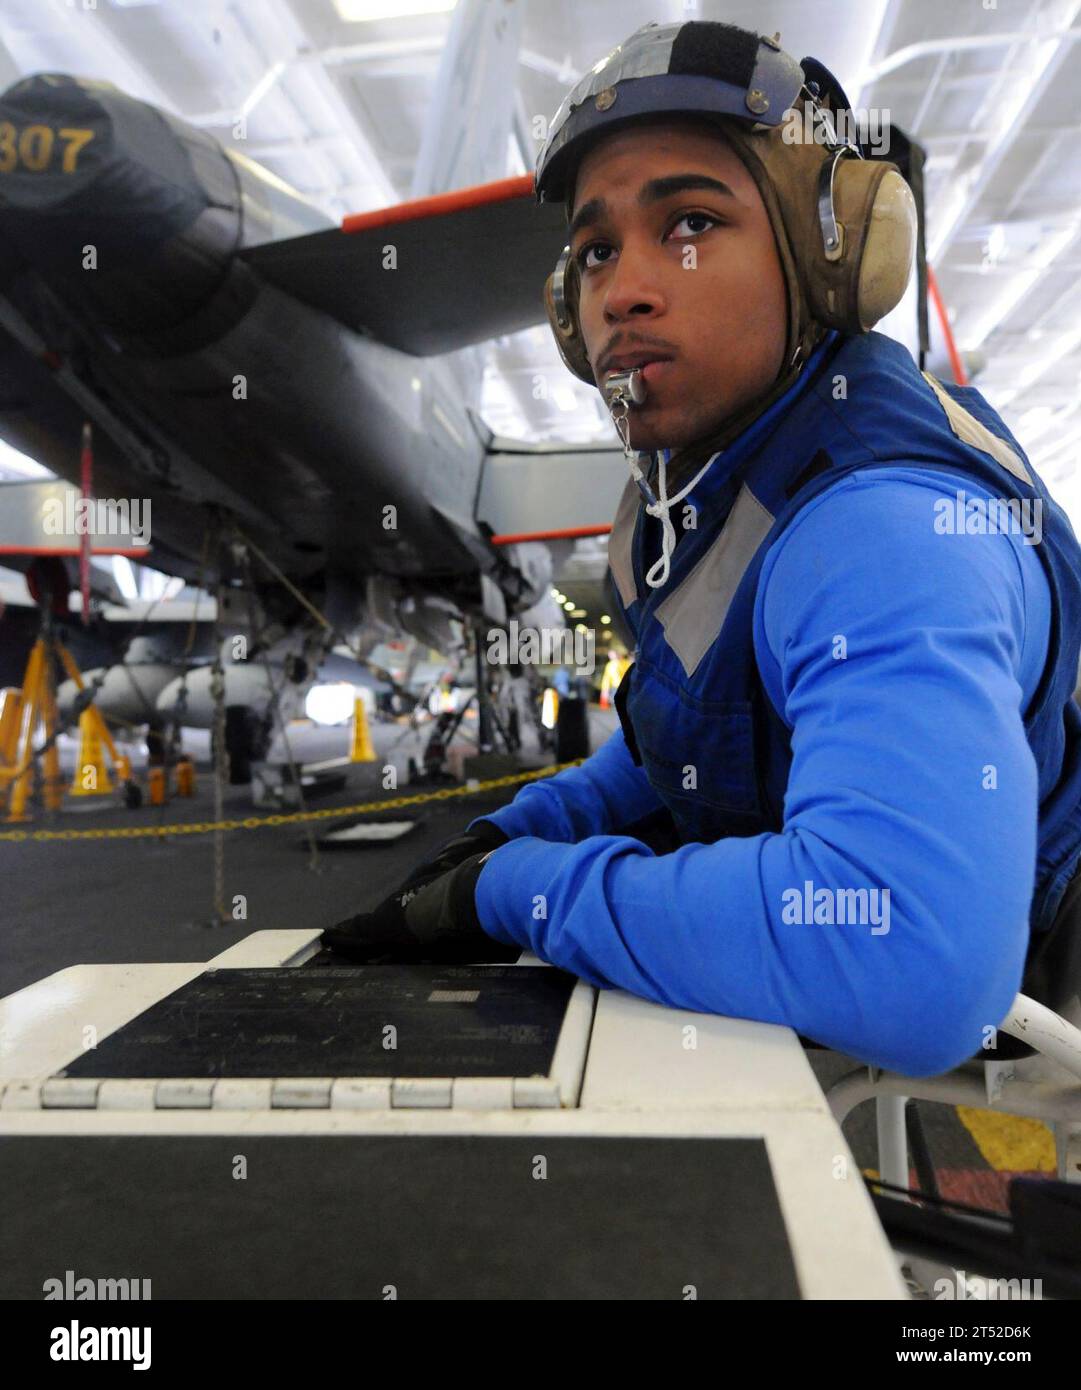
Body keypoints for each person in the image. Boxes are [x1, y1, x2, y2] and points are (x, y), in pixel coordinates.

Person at [322, 20, 1081, 1078]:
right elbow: (692, 725)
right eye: (594, 250)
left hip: (1019, 1032)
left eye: (687, 222)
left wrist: (520, 892)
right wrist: (528, 822)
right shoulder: (701, 492)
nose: (620, 290)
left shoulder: (882, 532)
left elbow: (911, 963)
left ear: (833, 256)